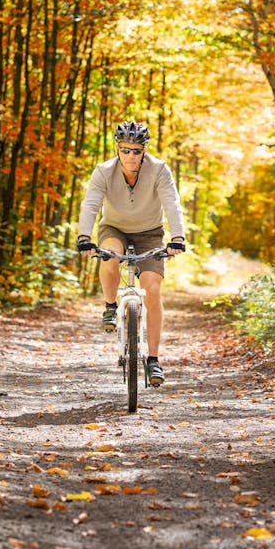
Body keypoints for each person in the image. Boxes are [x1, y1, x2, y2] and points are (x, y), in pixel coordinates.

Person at [76, 120, 186, 386]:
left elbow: (172, 202)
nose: (130, 156)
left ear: (144, 151)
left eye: (136, 150)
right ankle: (111, 306)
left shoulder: (160, 170)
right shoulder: (103, 171)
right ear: (117, 149)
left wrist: (177, 237)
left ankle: (153, 360)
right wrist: (84, 237)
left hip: (150, 232)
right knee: (110, 255)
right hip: (114, 228)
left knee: (152, 288)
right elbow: (91, 204)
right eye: (125, 150)